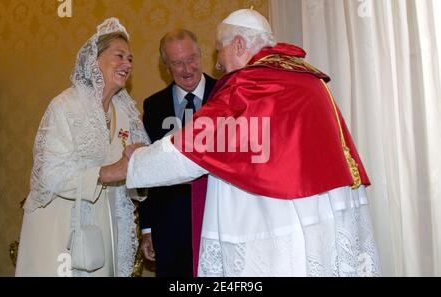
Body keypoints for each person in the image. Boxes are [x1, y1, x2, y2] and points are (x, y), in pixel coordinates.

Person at [110, 9, 381, 277]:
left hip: (275, 223)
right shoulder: (307, 79)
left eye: (220, 52)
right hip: (321, 214)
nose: (218, 65)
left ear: (238, 45)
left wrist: (135, 162)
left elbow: (194, 150)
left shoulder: (251, 85)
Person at [15, 18, 150, 277]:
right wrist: (110, 172)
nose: (127, 64)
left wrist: (141, 167)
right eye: (119, 56)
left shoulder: (126, 112)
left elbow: (131, 180)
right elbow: (49, 175)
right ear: (94, 61)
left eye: (131, 59)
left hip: (105, 234)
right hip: (61, 232)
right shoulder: (65, 106)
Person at [140, 29, 216, 277]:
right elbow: (147, 169)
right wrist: (147, 227)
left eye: (192, 59)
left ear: (201, 54)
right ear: (166, 67)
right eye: (177, 63)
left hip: (219, 219)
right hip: (170, 227)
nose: (187, 69)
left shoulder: (226, 94)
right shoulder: (153, 106)